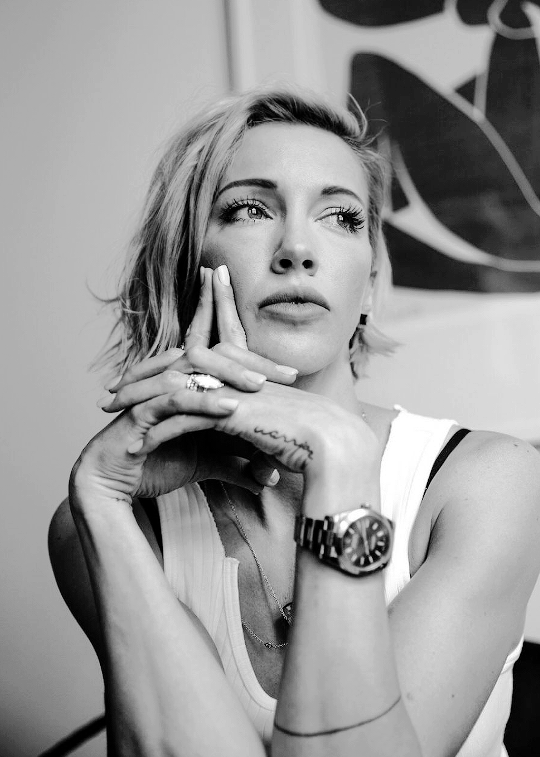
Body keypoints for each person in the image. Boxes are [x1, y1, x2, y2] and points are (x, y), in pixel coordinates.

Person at [48, 86, 540, 757]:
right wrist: (101, 503)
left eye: (341, 217)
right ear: (187, 263)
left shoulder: (490, 482)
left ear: (369, 282)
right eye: (249, 209)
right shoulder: (109, 521)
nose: (298, 249)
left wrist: (341, 465)